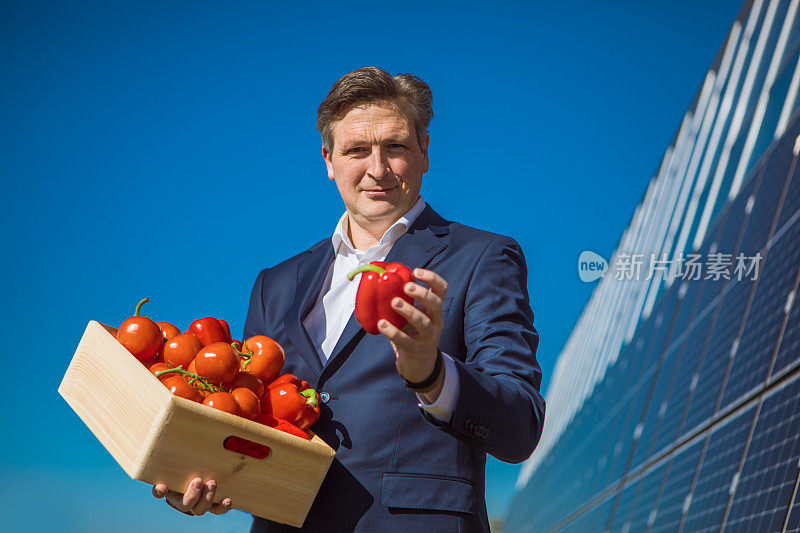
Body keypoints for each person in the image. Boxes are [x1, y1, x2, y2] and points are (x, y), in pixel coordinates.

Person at [152, 66, 545, 531]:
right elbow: (248, 417)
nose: (377, 169)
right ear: (328, 160)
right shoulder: (274, 284)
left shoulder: (482, 257)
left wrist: (432, 375)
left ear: (424, 153)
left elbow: (520, 425)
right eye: (357, 150)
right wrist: (203, 474)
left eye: (395, 147)